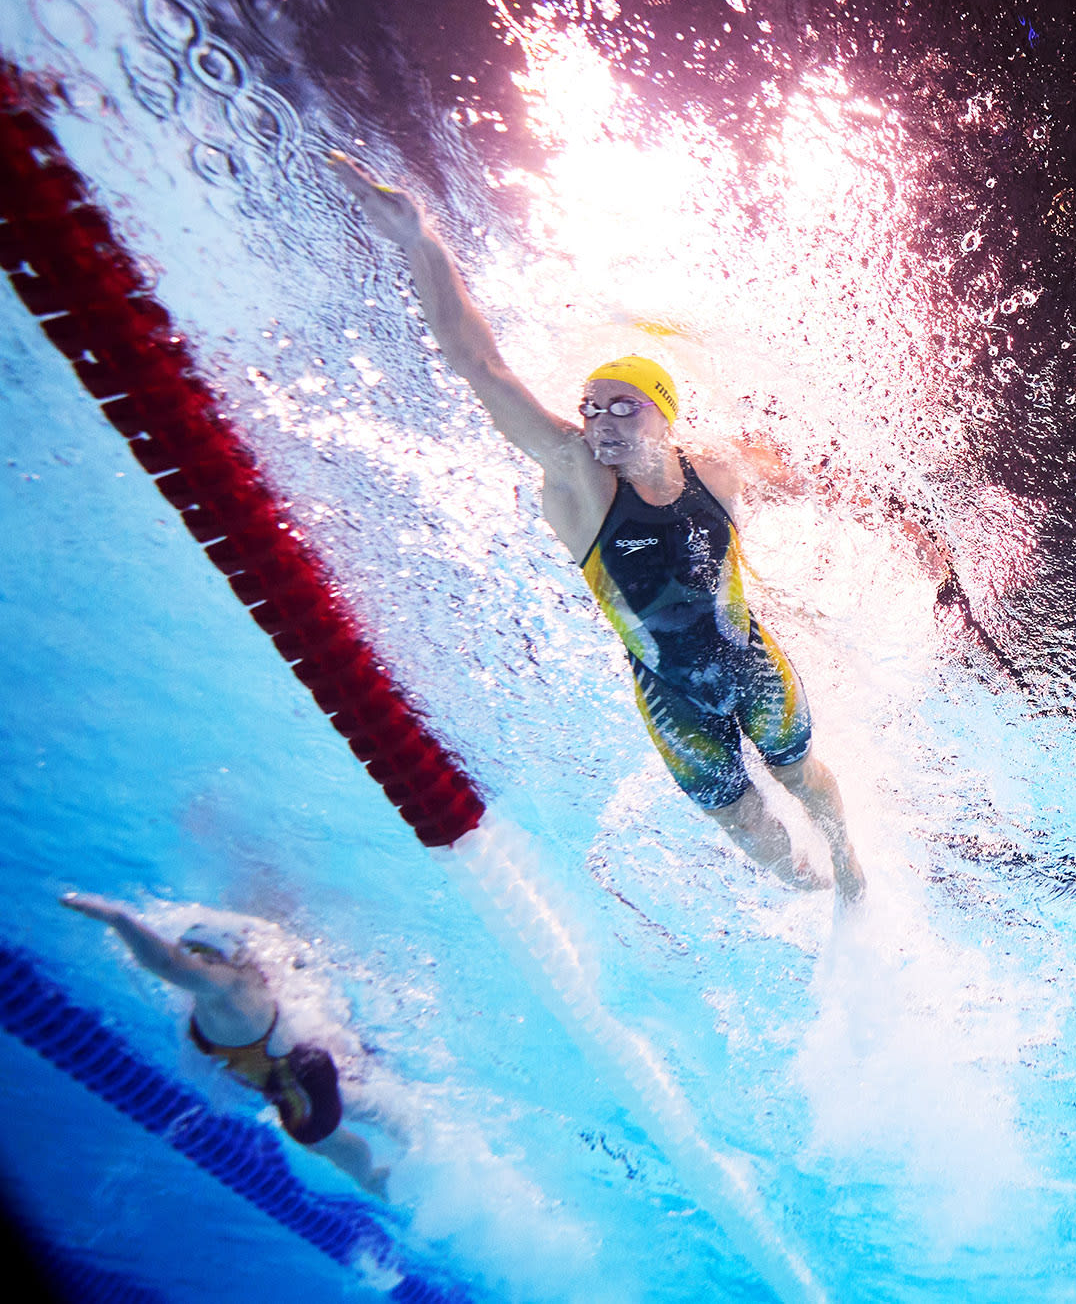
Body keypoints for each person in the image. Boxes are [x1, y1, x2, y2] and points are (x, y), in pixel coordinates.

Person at [329, 152, 865, 898]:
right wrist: (423, 242)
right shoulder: (579, 480)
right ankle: (814, 890)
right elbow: (481, 366)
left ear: (663, 411)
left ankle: (849, 871)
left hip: (751, 661)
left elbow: (813, 474)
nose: (599, 421)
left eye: (622, 405)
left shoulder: (716, 467)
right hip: (670, 695)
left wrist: (884, 513)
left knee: (800, 775)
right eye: (589, 406)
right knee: (744, 824)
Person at [61, 892, 392, 1194]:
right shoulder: (234, 988)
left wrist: (118, 920)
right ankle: (399, 1138)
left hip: (301, 1088)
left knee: (332, 1141)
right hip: (302, 1068)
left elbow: (167, 964)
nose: (192, 964)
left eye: (201, 960)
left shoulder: (229, 987)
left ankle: (372, 1178)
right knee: (364, 1113)